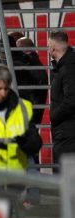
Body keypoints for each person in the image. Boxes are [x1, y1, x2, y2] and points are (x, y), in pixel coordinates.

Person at [49, 30, 75, 169]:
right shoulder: (65, 66)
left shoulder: (68, 68)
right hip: (66, 131)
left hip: (68, 133)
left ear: (53, 47)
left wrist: (54, 116)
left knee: (65, 179)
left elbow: (71, 99)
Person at [16, 36, 48, 124]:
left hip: (29, 115)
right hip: (33, 114)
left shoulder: (28, 65)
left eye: (16, 47)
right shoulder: (34, 64)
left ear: (23, 49)